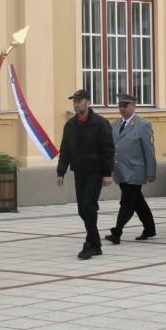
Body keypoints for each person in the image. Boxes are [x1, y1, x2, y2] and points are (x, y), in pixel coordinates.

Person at [56, 89, 115, 260]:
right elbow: (65, 149)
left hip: (95, 171)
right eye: (74, 101)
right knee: (82, 209)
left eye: (79, 101)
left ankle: (90, 245)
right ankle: (96, 243)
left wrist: (107, 173)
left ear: (87, 102)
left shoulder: (100, 123)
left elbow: (108, 149)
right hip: (79, 171)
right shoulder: (71, 124)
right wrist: (61, 171)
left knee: (88, 205)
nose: (76, 104)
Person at [106, 93, 157, 244]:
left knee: (127, 202)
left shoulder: (143, 125)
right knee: (137, 201)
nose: (122, 109)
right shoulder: (114, 124)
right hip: (120, 171)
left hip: (136, 171)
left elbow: (149, 150)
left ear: (133, 106)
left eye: (125, 106)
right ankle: (150, 228)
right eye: (120, 106)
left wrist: (151, 171)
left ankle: (117, 231)